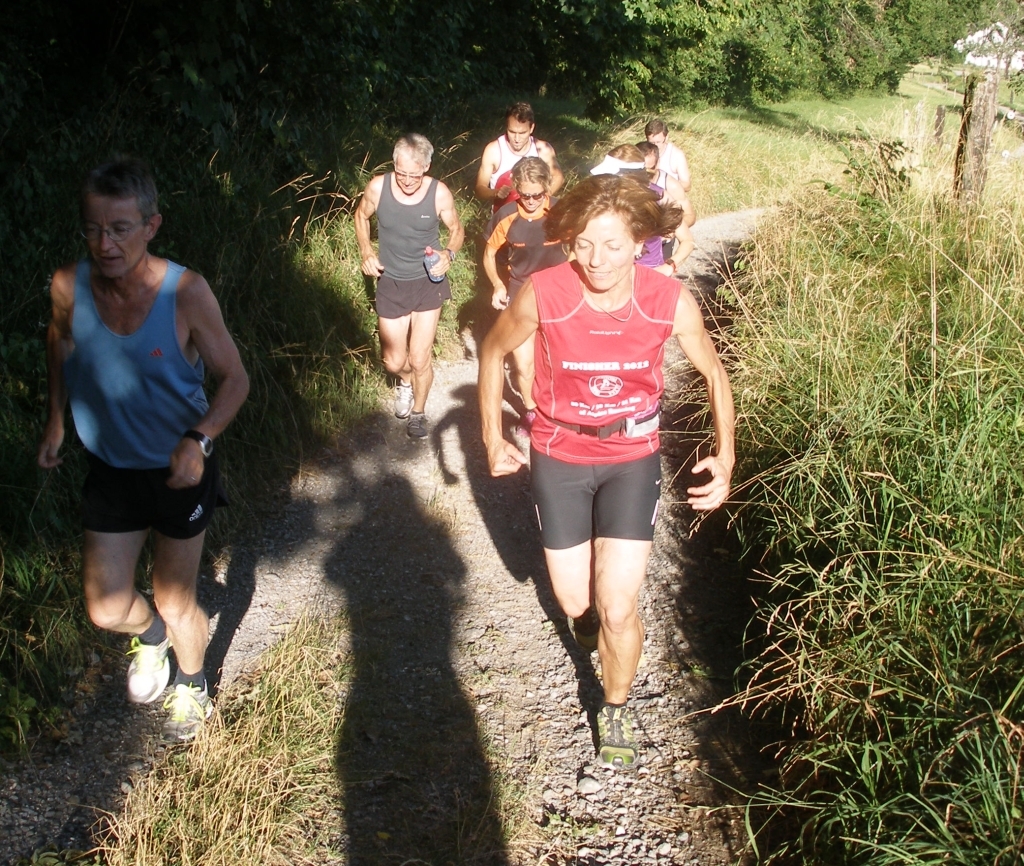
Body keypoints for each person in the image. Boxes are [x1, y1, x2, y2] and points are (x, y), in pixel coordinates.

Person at [478, 174, 735, 769]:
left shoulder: (667, 300)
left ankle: (615, 702)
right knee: (575, 602)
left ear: (640, 241)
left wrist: (725, 456)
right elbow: (492, 353)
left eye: (614, 246)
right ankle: (591, 613)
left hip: (632, 456)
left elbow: (715, 374)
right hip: (561, 452)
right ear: (569, 243)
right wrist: (492, 439)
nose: (597, 260)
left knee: (620, 604)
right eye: (585, 245)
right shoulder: (544, 292)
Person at [37, 158, 250, 742]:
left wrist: (199, 439)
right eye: (92, 229)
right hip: (111, 466)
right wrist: (55, 417)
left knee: (176, 597)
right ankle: (151, 637)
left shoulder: (185, 292)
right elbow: (59, 338)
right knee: (106, 608)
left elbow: (235, 379)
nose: (104, 244)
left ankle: (193, 681)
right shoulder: (68, 286)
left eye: (120, 229)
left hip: (180, 468)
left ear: (151, 226)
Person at [355, 134, 465, 438]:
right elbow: (361, 216)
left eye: (414, 175)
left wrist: (449, 254)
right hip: (391, 281)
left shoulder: (438, 193)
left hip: (428, 283)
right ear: (394, 164)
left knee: (419, 357)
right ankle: (405, 382)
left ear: (427, 167)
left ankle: (418, 412)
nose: (406, 180)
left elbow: (457, 229)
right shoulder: (377, 187)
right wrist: (366, 251)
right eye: (400, 172)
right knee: (393, 361)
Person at [482, 157, 568, 435]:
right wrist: (497, 284)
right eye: (525, 195)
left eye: (538, 195)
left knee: (561, 358)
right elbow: (489, 254)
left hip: (558, 293)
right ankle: (533, 411)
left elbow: (581, 245)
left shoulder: (561, 212)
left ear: (547, 187)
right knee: (524, 363)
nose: (531, 201)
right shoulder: (506, 215)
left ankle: (564, 408)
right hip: (521, 294)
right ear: (516, 187)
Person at [591, 145, 695, 276]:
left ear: (630, 177)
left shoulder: (660, 197)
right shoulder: (602, 197)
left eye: (610, 176)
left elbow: (687, 240)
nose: (604, 181)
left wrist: (669, 266)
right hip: (609, 275)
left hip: (649, 275)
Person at [475, 102, 564, 212]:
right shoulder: (494, 150)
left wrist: (540, 198)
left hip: (536, 217)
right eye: (512, 132)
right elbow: (479, 189)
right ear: (506, 127)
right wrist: (496, 193)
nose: (517, 139)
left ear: (531, 128)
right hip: (504, 219)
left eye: (522, 133)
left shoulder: (543, 149)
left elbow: (558, 177)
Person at [636, 140, 696, 228]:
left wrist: (669, 231)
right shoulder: (626, 182)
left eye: (650, 169)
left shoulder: (671, 185)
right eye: (640, 169)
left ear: (658, 163)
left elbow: (689, 215)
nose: (645, 173)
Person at [645, 118, 691, 193]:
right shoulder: (641, 152)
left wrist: (663, 186)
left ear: (666, 138)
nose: (655, 146)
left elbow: (687, 185)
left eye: (658, 142)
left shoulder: (676, 155)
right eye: (652, 143)